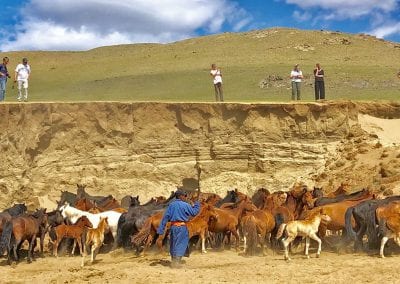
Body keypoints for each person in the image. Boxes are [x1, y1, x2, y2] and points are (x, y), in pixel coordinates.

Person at [157, 189, 200, 268]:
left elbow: (165, 217)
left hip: (173, 227)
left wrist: (161, 229)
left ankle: (174, 260)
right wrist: (197, 203)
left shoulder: (171, 205)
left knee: (173, 243)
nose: (185, 197)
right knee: (181, 243)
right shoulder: (185, 205)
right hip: (182, 227)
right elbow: (194, 212)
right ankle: (176, 263)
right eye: (184, 196)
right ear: (180, 196)